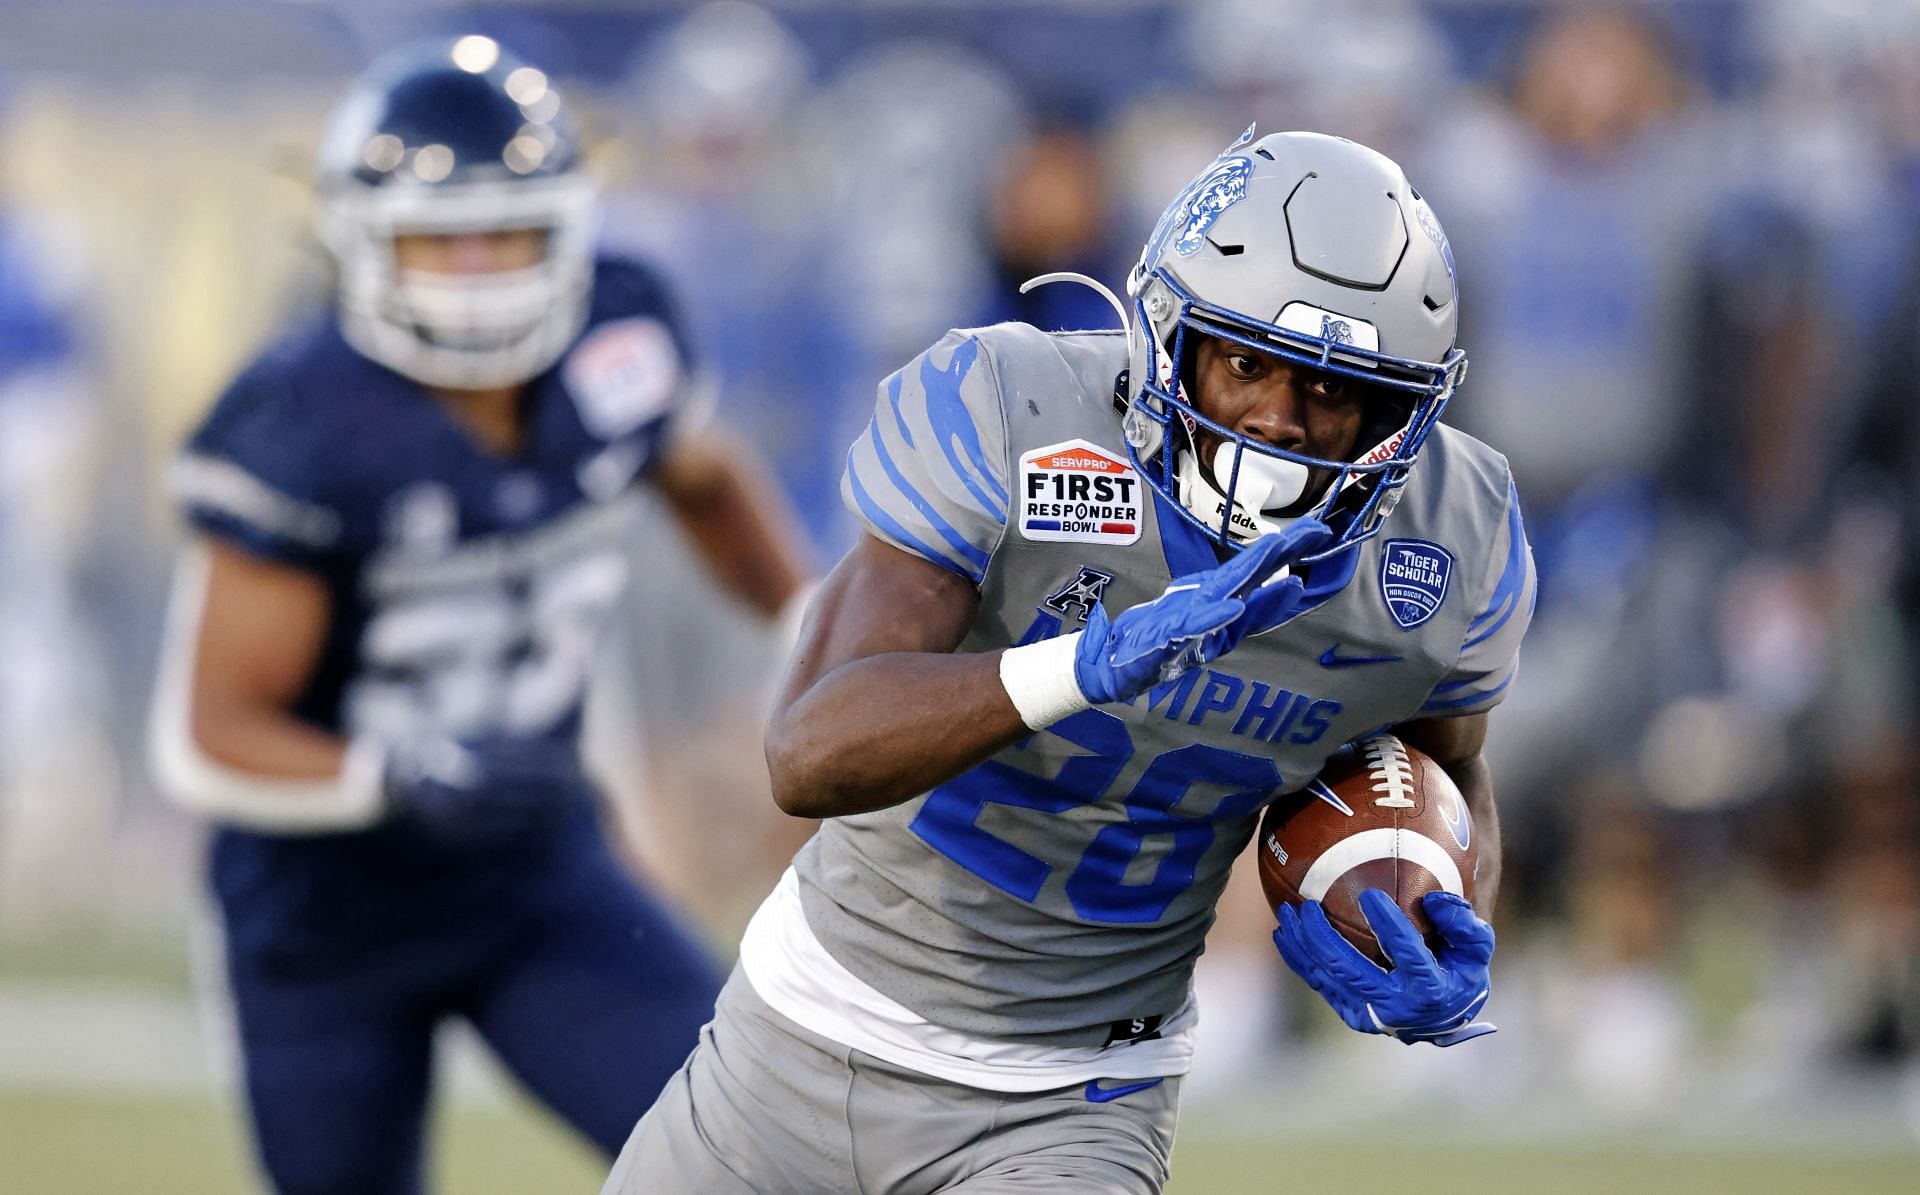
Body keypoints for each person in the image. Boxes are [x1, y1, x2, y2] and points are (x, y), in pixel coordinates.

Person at [607, 127, 1534, 1194]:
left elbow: (1445, 771)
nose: (1279, 422)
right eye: (1245, 363)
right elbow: (810, 748)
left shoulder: (1446, 546)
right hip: (800, 1041)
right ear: (1169, 333)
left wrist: (1439, 913)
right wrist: (1080, 670)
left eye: (1334, 390)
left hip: (1075, 1100)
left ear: (1400, 411)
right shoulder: (1014, 410)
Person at [146, 37, 810, 1195]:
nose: (473, 270)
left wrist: (809, 617)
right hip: (324, 913)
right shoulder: (302, 424)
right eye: (435, 240)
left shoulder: (621, 335)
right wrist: (397, 776)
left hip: (528, 870)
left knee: (757, 1164)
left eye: (503, 231)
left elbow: (701, 477)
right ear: (357, 244)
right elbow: (204, 734)